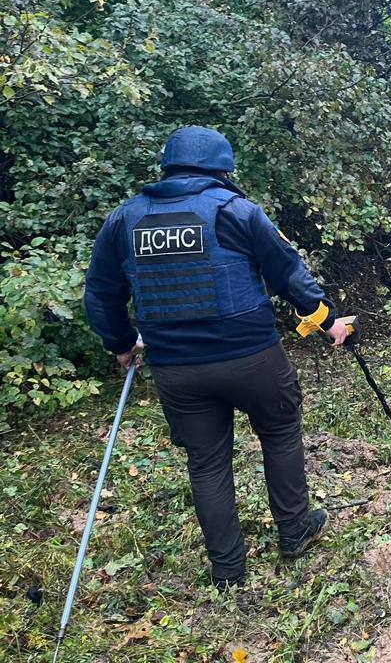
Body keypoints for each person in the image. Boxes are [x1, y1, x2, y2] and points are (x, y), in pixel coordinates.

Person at [84, 125, 350, 591]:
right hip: (252, 358)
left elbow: (102, 295)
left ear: (168, 165)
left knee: (207, 463)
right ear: (222, 168)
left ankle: (228, 569)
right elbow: (288, 273)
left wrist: (123, 343)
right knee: (280, 433)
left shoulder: (125, 219)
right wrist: (329, 322)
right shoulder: (237, 211)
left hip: (177, 369)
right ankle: (295, 531)